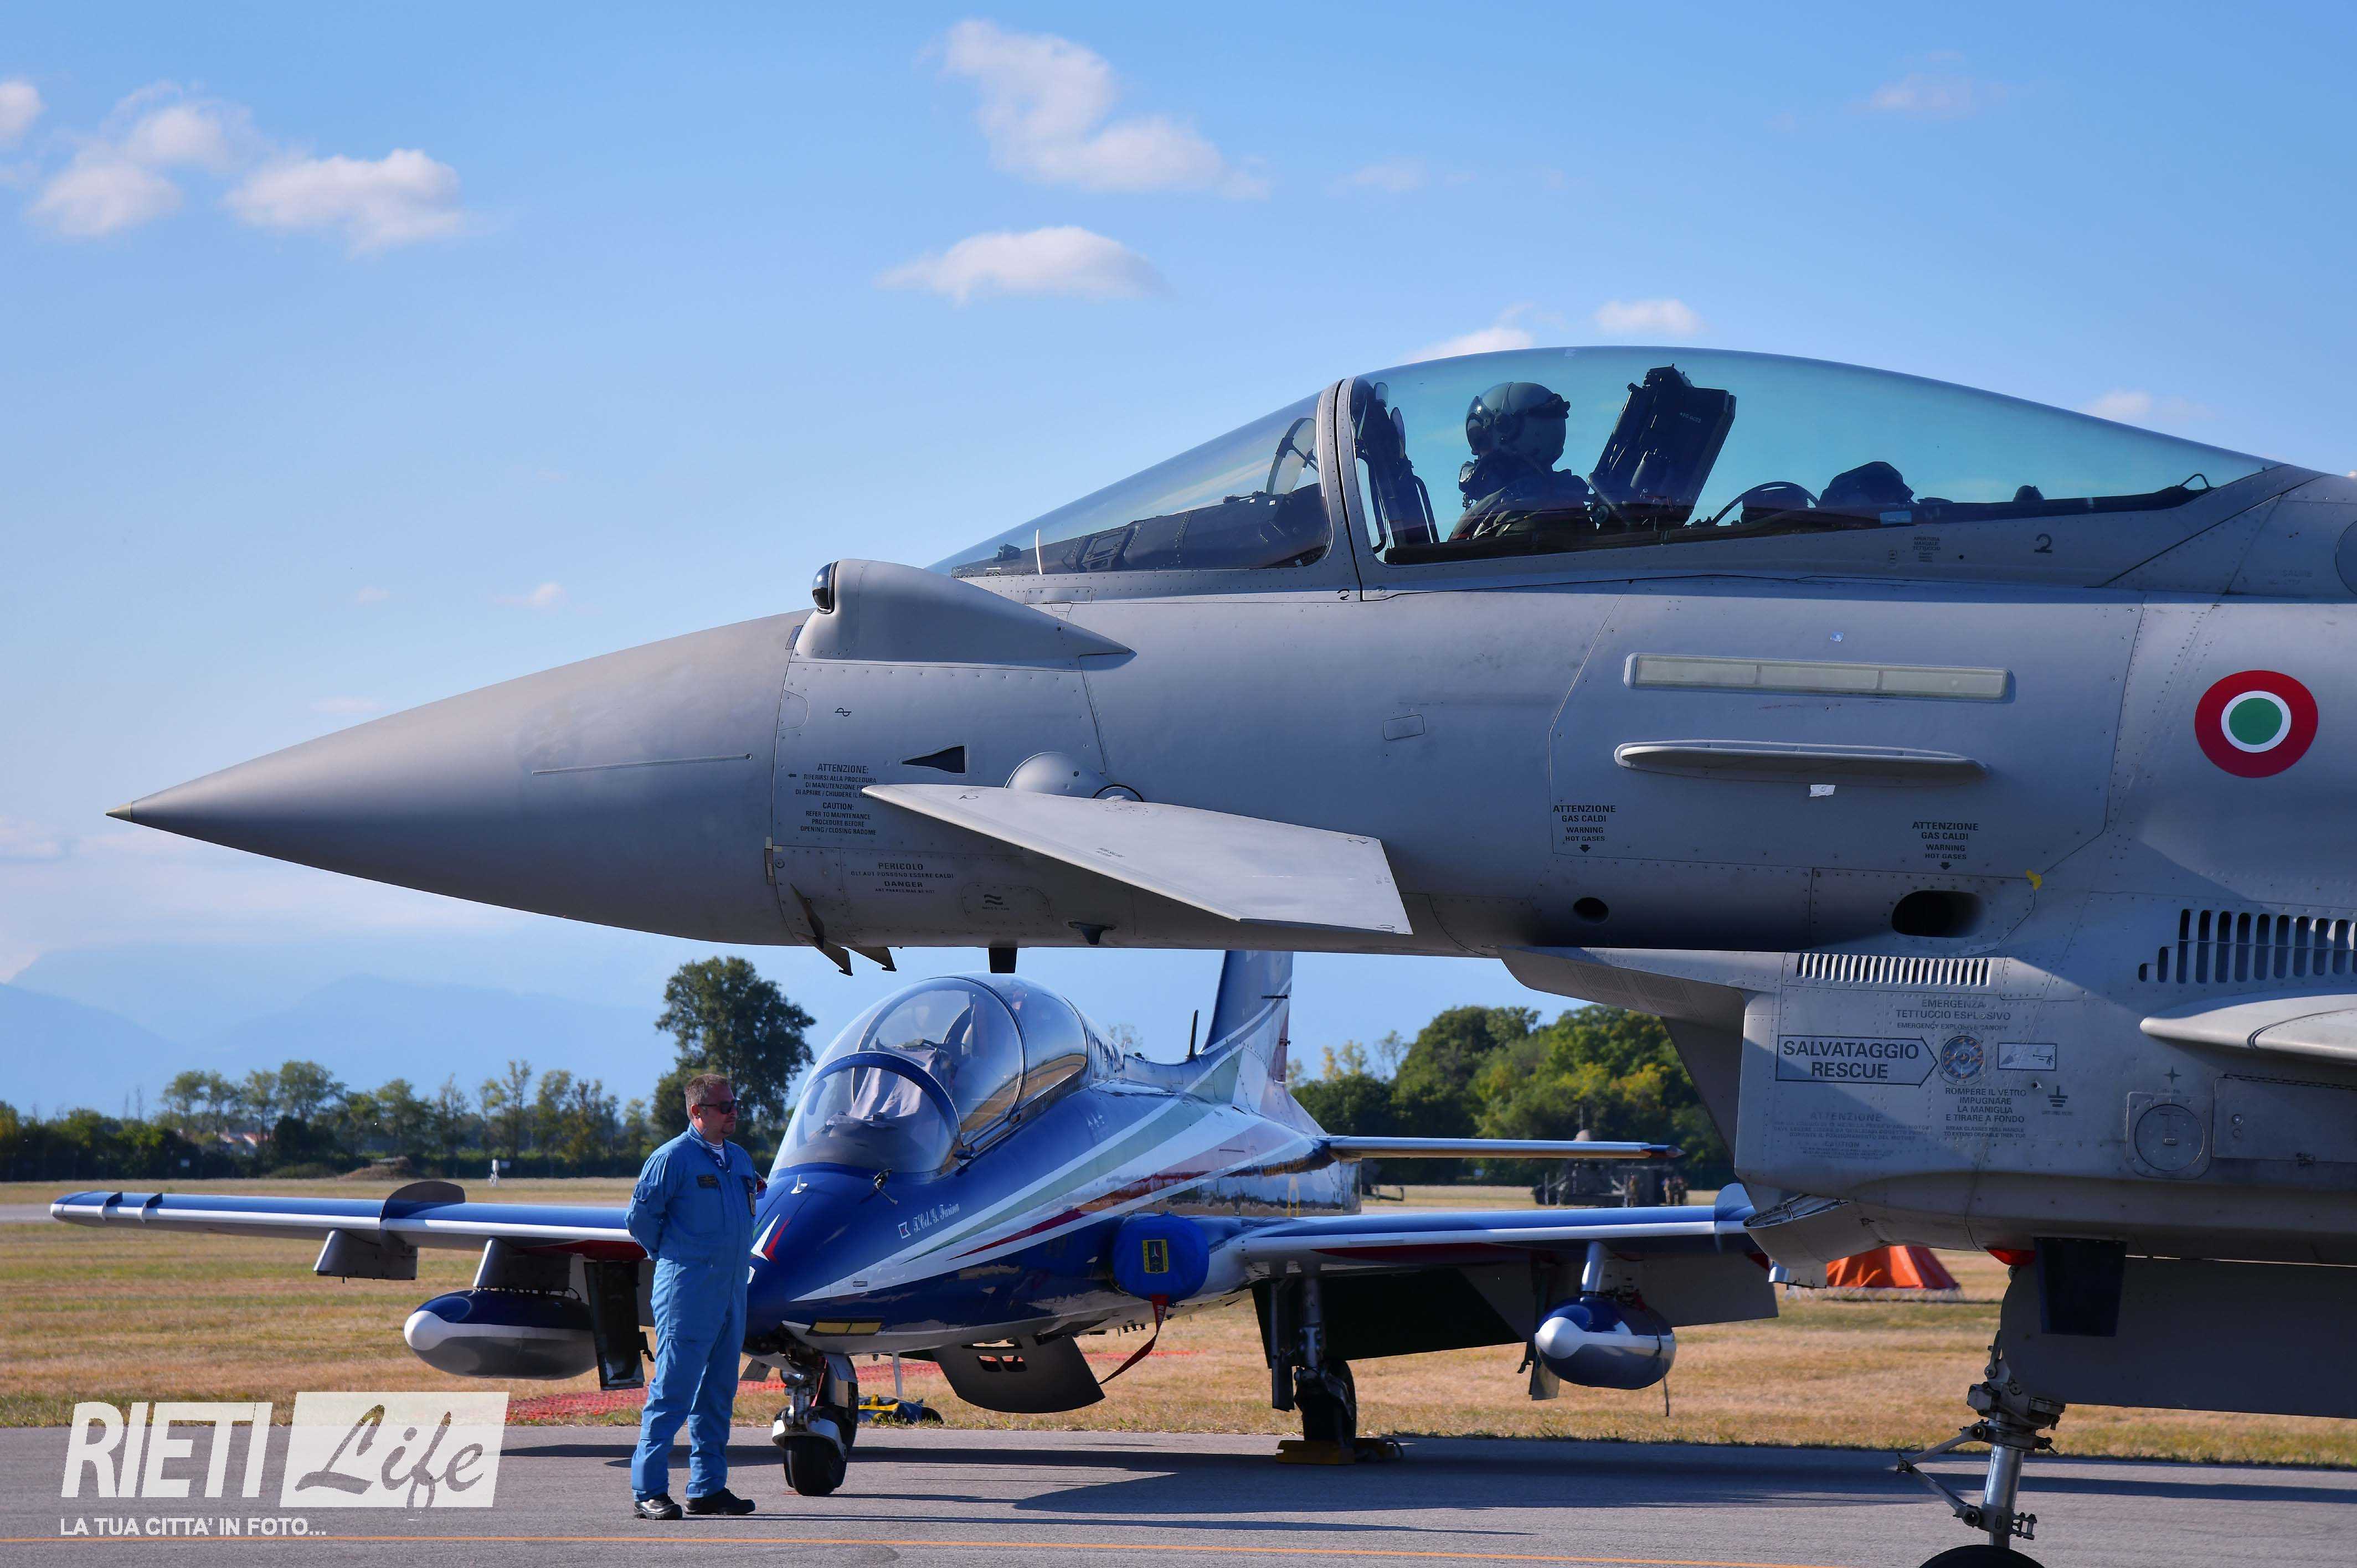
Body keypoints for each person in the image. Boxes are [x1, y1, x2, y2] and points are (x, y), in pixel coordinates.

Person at [625, 1072, 764, 1519]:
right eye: (723, 1107)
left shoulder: (739, 1159)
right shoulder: (672, 1159)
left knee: (718, 1393)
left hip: (731, 1292)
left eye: (734, 1104)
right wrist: (674, 1256)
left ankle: (707, 1487)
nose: (733, 1113)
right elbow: (640, 1219)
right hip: (687, 1291)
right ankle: (648, 1489)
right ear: (696, 1112)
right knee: (673, 1391)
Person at [1450, 381, 1594, 540]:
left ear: (1507, 433)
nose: (1477, 453)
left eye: (1480, 440)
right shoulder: (1567, 504)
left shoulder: (1521, 524)